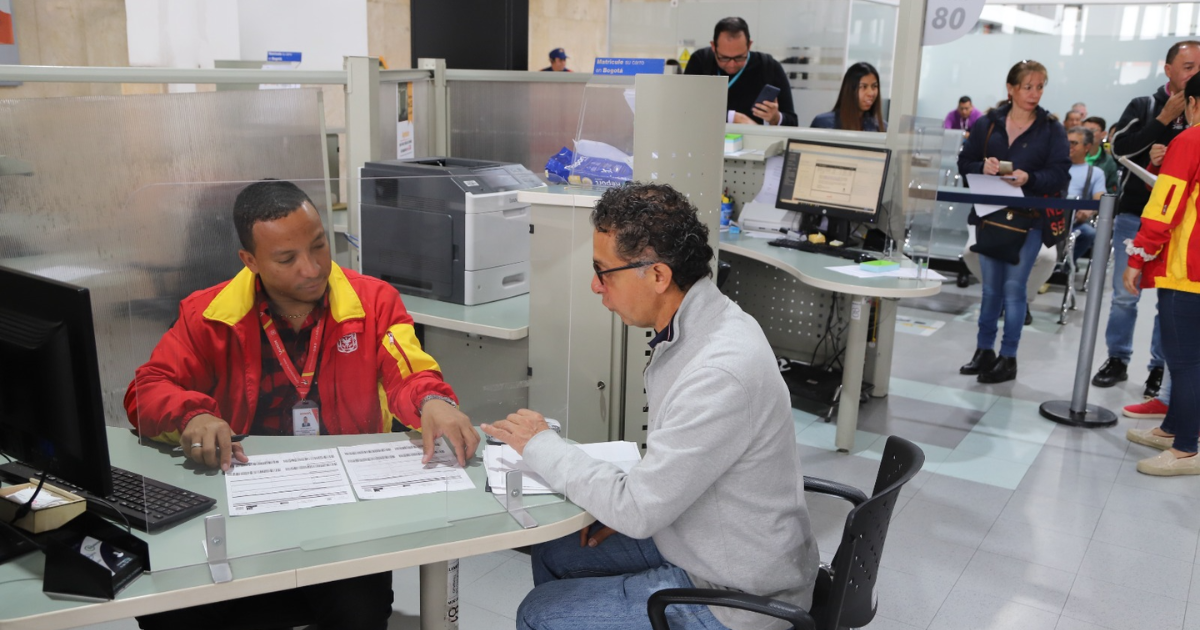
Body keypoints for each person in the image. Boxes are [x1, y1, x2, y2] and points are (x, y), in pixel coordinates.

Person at [127, 180, 480, 630]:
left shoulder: (372, 302)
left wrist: (432, 401)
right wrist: (192, 414)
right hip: (245, 502)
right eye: (287, 259)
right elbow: (147, 389)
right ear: (250, 261)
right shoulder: (210, 314)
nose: (312, 268)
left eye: (319, 246)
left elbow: (410, 372)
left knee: (360, 612)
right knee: (171, 611)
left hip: (345, 508)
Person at [482, 183, 818, 630]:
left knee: (540, 615)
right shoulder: (702, 325)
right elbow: (669, 481)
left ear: (658, 276)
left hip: (738, 596)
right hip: (706, 539)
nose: (594, 285)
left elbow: (638, 509)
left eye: (605, 272)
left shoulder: (718, 370)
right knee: (557, 549)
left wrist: (540, 443)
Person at [1093, 40, 1200, 396]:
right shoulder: (1145, 104)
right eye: (1187, 66)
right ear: (1168, 69)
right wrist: (1163, 121)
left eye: (1198, 66)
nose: (1194, 73)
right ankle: (1117, 358)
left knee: (1169, 301)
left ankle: (1158, 369)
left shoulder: (1198, 108)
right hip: (1137, 214)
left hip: (1182, 225)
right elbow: (1118, 149)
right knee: (1125, 295)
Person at [957, 60, 1070, 384]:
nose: (1035, 93)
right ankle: (984, 351)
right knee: (990, 289)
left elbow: (1060, 172)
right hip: (990, 215)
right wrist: (983, 166)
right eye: (1028, 86)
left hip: (1031, 219)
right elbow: (964, 161)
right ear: (1011, 88)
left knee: (1013, 289)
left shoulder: (1051, 128)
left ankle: (1009, 357)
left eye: (1040, 86)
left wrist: (1029, 176)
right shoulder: (988, 123)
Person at [1122, 71, 1200, 475]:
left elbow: (1163, 207)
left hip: (1189, 270)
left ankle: (1187, 447)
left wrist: (1138, 257)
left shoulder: (1189, 140)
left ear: (1192, 103)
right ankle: (1173, 429)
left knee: (1184, 359)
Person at [683, 17, 798, 126]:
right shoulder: (701, 62)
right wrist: (734, 118)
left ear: (749, 45)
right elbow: (685, 109)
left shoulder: (768, 66)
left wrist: (776, 118)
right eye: (724, 58)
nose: (732, 64)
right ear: (713, 47)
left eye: (739, 57)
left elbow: (793, 122)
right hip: (706, 140)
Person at [1065, 126, 1107, 263]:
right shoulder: (1053, 167)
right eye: (1067, 142)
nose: (1069, 146)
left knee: (1089, 234)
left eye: (1074, 143)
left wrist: (1089, 210)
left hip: (1074, 221)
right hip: (1049, 216)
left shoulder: (1095, 172)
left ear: (1087, 147)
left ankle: (1068, 264)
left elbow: (1099, 198)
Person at [811, 62, 886, 131]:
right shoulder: (824, 124)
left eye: (874, 86)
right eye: (863, 86)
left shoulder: (881, 127)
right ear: (850, 90)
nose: (871, 93)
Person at [1082, 115, 1119, 193]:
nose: (1087, 134)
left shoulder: (1108, 161)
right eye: (1084, 130)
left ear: (1103, 134)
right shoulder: (1072, 156)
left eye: (1092, 131)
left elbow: (1112, 191)